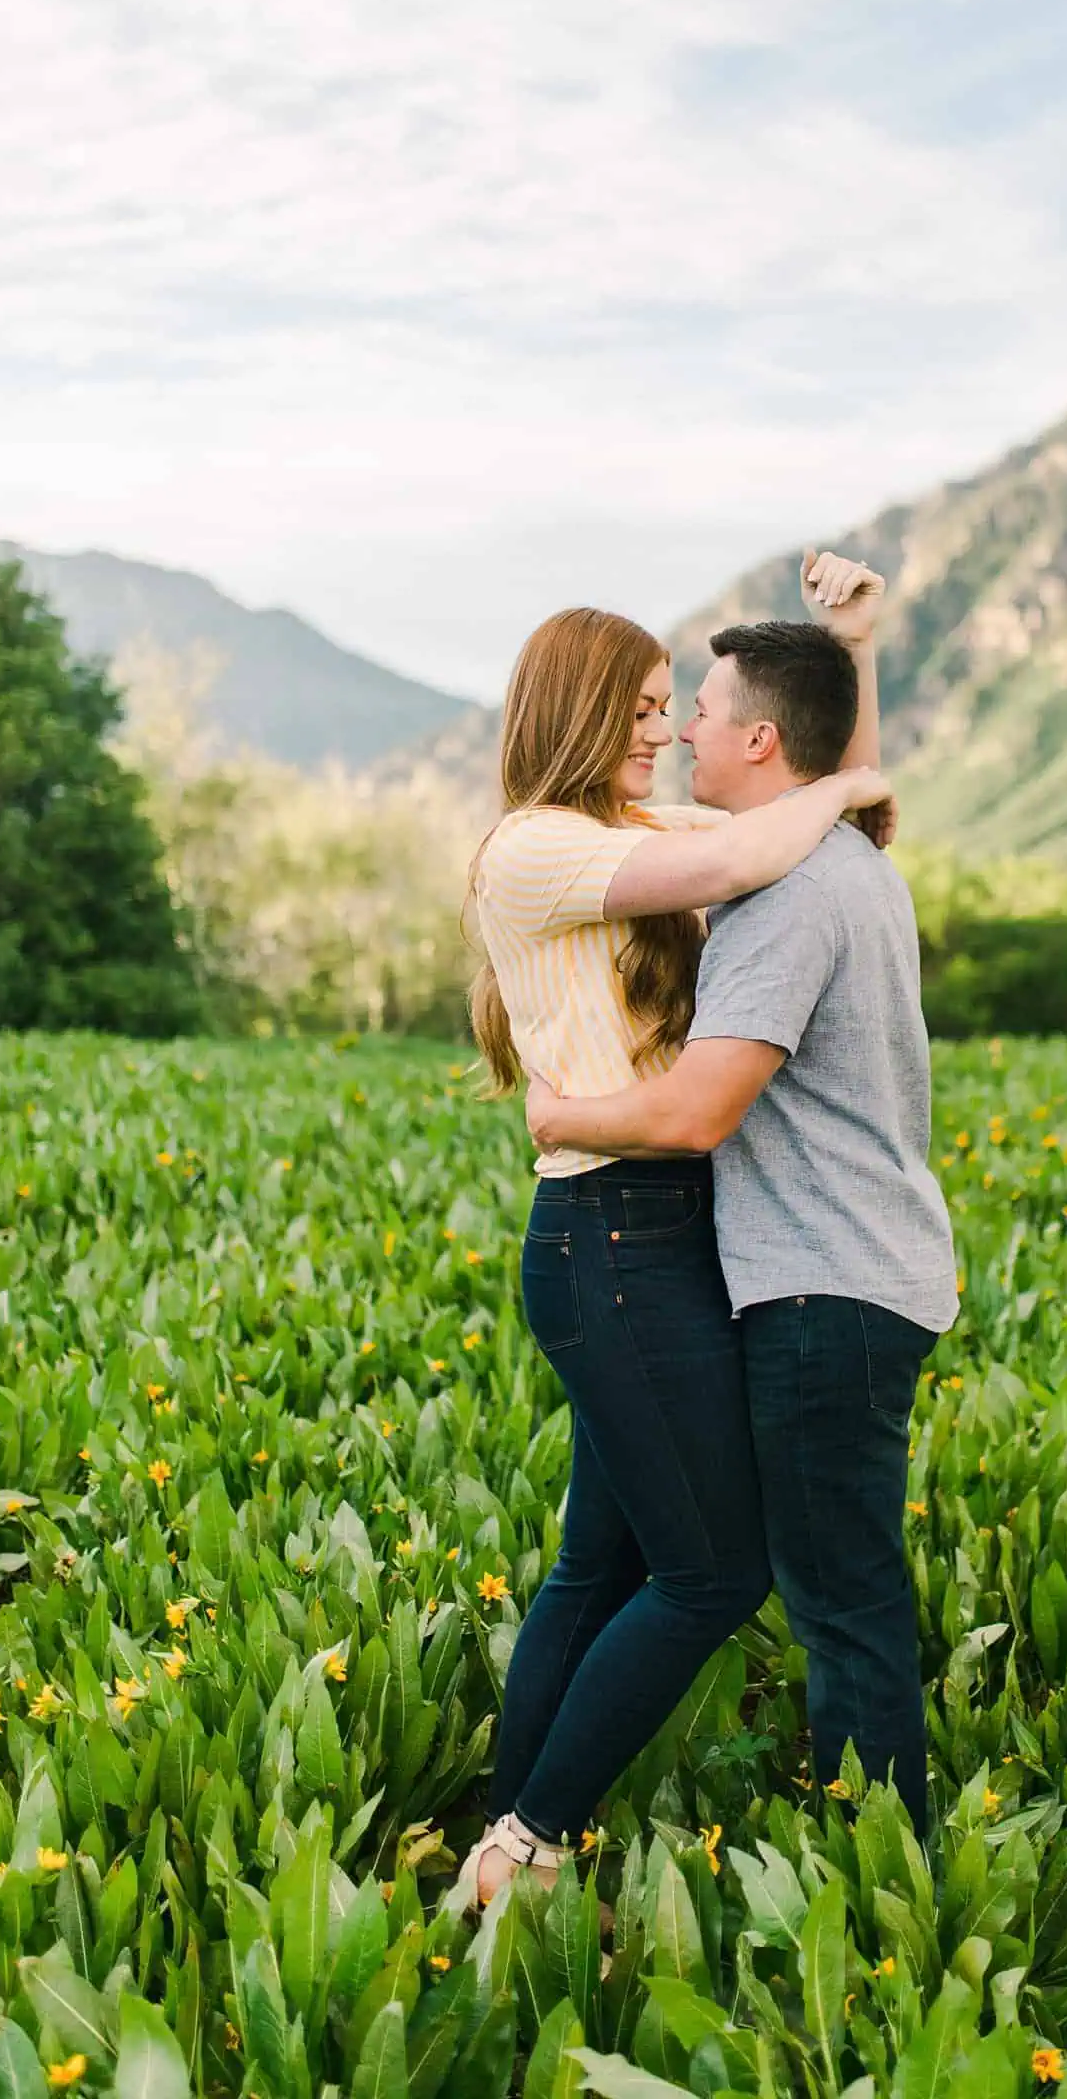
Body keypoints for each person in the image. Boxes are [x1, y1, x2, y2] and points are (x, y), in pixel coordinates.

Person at [455, 559, 892, 1905]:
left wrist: (851, 658)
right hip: (613, 1242)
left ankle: (495, 1833)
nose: (663, 731)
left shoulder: (633, 826)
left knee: (603, 1564)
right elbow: (775, 828)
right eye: (644, 708)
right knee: (711, 1575)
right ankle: (531, 1843)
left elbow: (812, 813)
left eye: (675, 707)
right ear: (584, 712)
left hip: (653, 1237)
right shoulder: (540, 848)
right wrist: (841, 776)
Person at [527, 613, 958, 1834]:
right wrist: (858, 651)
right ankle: (877, 1856)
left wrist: (563, 1110)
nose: (683, 735)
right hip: (867, 1270)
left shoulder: (786, 894)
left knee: (841, 1604)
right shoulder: (855, 863)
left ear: (760, 741)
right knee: (842, 1592)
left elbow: (703, 1109)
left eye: (701, 713)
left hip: (823, 1289)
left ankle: (884, 1884)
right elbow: (836, 778)